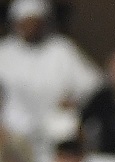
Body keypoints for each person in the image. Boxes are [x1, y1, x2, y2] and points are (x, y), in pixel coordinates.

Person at [0, 0, 99, 152]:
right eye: (26, 23)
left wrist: (75, 100)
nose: (31, 28)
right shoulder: (4, 51)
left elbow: (93, 83)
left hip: (54, 122)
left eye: (35, 22)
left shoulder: (61, 48)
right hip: (15, 126)